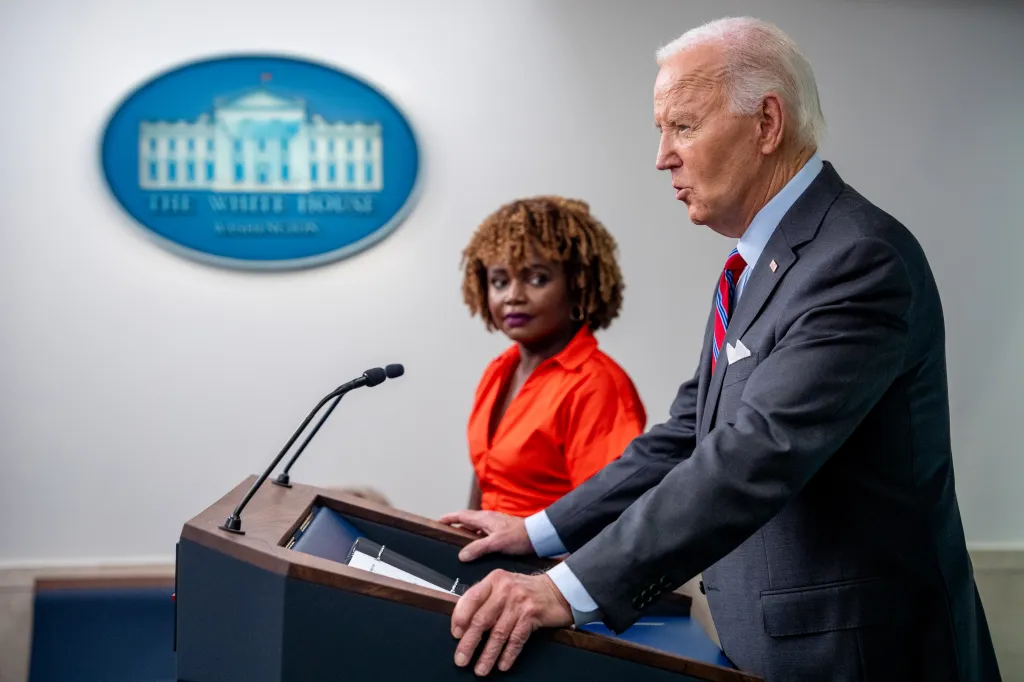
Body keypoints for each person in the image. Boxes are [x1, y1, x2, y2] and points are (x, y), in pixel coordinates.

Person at [439, 17, 1001, 682]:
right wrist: (538, 532)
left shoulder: (856, 257)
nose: (662, 156)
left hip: (860, 659)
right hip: (770, 647)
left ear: (767, 124)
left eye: (683, 126)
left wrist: (565, 588)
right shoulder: (753, 264)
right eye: (661, 131)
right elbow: (690, 434)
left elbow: (755, 454)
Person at [458, 195, 646, 518]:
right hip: (489, 561)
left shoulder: (597, 385)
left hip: (547, 566)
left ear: (577, 284)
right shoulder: (500, 370)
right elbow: (486, 483)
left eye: (537, 279)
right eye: (500, 282)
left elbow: (606, 520)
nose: (513, 297)